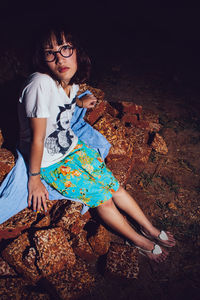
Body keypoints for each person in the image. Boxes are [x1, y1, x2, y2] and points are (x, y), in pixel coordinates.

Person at [18, 25, 175, 262]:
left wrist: (78, 103)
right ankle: (140, 242)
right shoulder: (39, 84)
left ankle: (149, 229)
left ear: (76, 50)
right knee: (103, 198)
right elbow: (37, 138)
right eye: (50, 52)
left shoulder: (70, 84)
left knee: (114, 186)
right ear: (42, 59)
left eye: (65, 48)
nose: (59, 57)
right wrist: (34, 179)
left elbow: (60, 108)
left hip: (72, 147)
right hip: (51, 163)